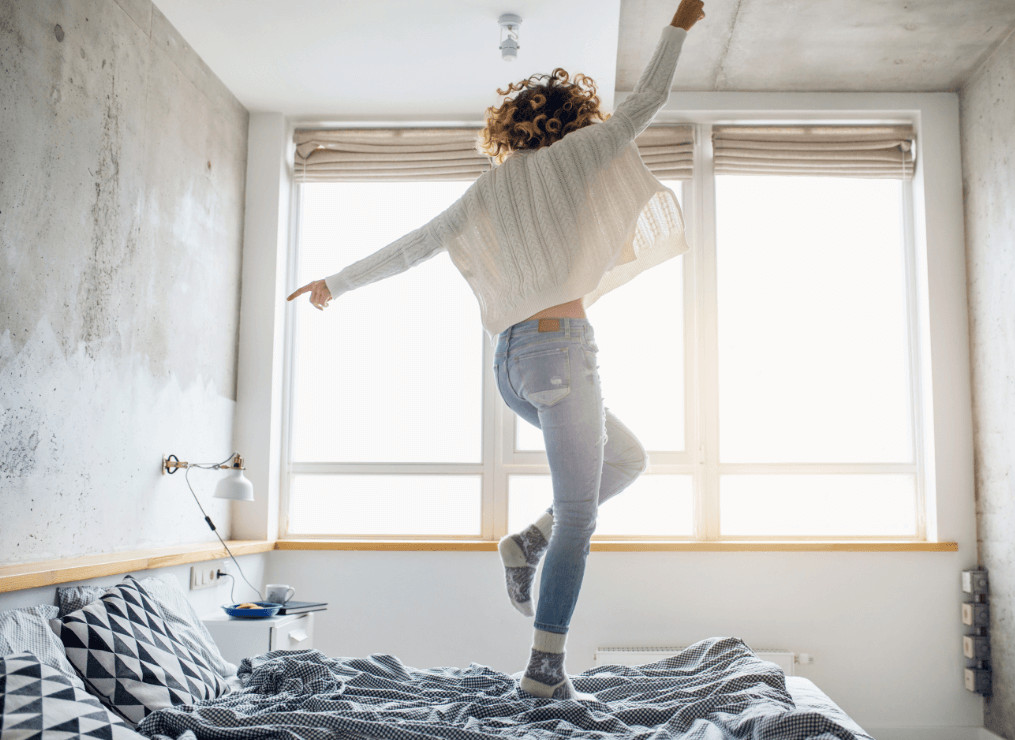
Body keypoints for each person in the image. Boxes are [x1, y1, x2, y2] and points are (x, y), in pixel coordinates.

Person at [288, 0, 705, 700]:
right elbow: (650, 100)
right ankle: (544, 672)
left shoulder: (487, 190)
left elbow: (415, 246)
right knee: (583, 514)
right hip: (562, 352)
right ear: (573, 119)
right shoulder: (580, 157)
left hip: (511, 368)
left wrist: (336, 283)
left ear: (510, 128)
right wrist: (680, 23)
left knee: (628, 458)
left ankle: (529, 541)